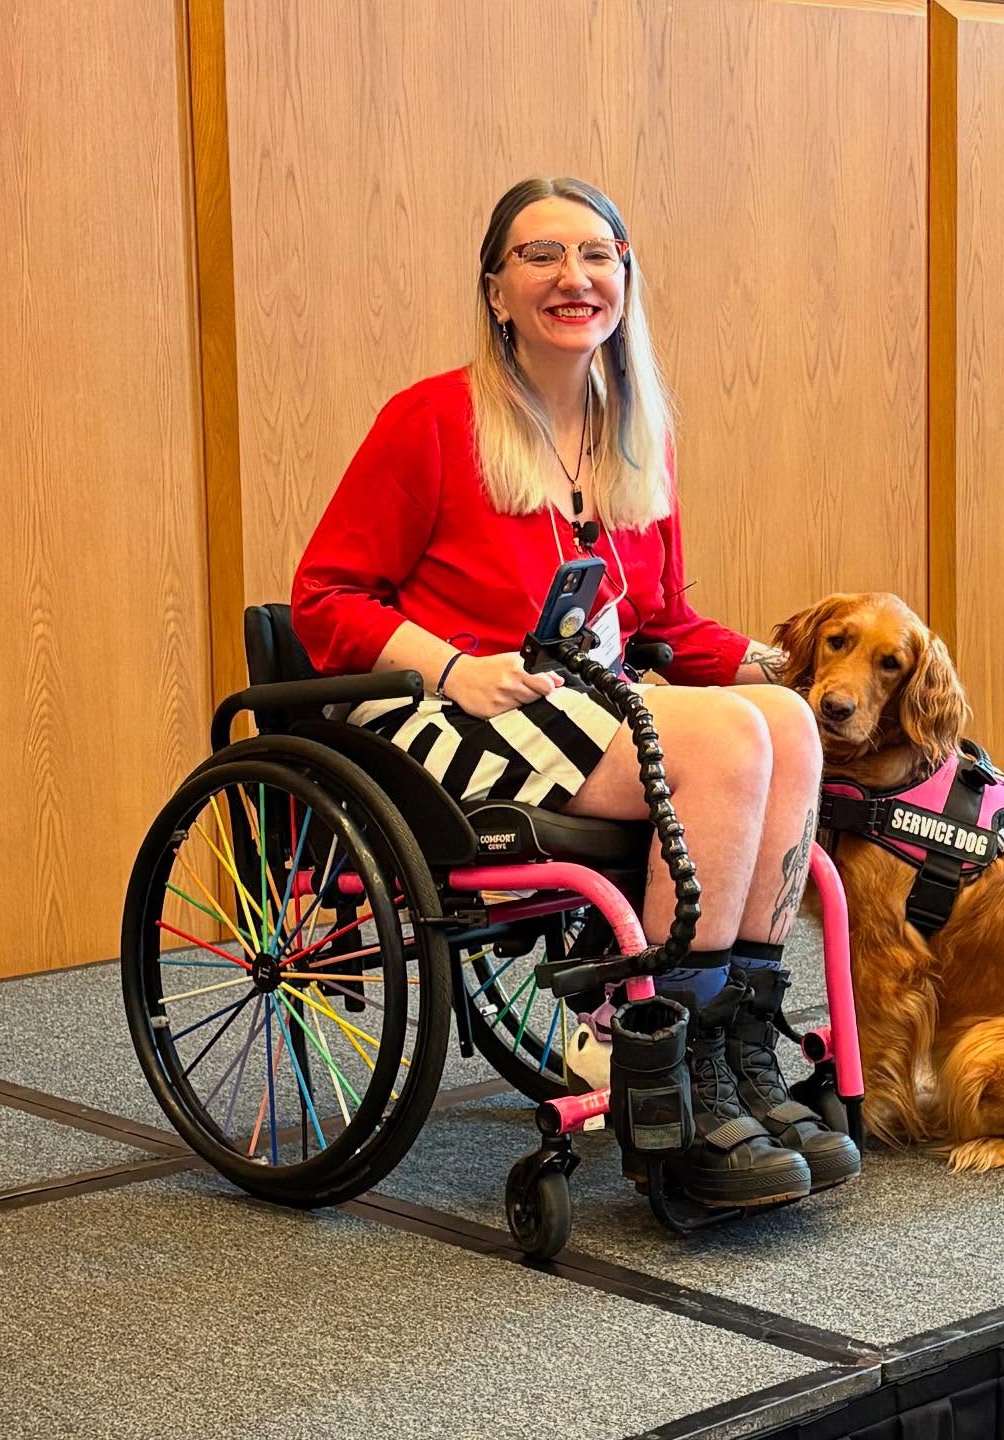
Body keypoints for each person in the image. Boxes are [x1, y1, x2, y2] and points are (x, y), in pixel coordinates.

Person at [292, 176, 858, 1206]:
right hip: (449, 708)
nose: (573, 277)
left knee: (783, 724)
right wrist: (455, 667)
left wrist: (786, 669)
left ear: (625, 282)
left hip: (593, 705)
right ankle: (668, 1089)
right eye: (542, 256)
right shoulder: (431, 422)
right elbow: (324, 597)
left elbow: (663, 626)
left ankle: (736, 1059)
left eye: (596, 256)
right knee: (727, 744)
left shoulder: (636, 433)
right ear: (497, 291)